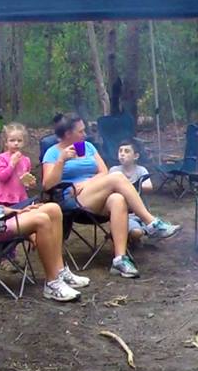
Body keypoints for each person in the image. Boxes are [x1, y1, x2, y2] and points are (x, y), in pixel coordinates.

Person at [40, 115, 178, 279]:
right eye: (81, 131)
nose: (85, 134)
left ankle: (119, 260)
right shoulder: (53, 153)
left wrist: (88, 183)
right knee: (118, 177)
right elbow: (47, 186)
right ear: (68, 133)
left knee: (117, 200)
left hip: (94, 195)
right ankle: (152, 223)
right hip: (71, 199)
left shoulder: (88, 147)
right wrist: (62, 160)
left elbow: (104, 172)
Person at [0, 132, 85, 302]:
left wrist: (16, 211)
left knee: (52, 209)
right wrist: (14, 213)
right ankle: (52, 283)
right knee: (41, 219)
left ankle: (60, 271)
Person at [0, 123, 36, 210]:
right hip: (5, 200)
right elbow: (1, 177)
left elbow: (24, 181)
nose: (16, 143)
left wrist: (30, 184)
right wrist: (11, 164)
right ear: (6, 142)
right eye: (12, 140)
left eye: (19, 140)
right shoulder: (1, 158)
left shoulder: (26, 160)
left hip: (21, 199)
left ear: (24, 142)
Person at [114, 142, 154, 236]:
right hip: (125, 215)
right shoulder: (114, 171)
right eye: (120, 151)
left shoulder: (141, 170)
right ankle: (135, 234)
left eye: (127, 151)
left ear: (136, 156)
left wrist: (130, 187)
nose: (122, 154)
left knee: (151, 228)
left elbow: (149, 187)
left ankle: (143, 230)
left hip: (143, 213)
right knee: (137, 232)